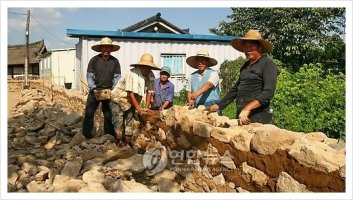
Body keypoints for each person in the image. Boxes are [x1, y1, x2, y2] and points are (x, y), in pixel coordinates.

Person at [207, 29, 279, 125]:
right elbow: (236, 89)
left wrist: (247, 108)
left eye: (251, 46)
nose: (248, 50)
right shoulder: (245, 66)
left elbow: (268, 93)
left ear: (260, 47)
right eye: (245, 47)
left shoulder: (268, 64)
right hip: (242, 114)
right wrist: (219, 105)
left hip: (259, 115)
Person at [110, 53, 160, 146]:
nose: (147, 69)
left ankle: (128, 144)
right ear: (141, 66)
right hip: (118, 99)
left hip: (132, 102)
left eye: (149, 67)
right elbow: (131, 94)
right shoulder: (132, 74)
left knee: (129, 122)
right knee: (119, 121)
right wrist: (139, 110)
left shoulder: (150, 75)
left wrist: (146, 108)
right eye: (145, 67)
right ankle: (119, 141)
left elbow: (150, 92)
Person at [82, 37, 121, 139]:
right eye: (104, 48)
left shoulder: (115, 61)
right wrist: (93, 88)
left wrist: (112, 89)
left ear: (111, 49)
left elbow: (117, 77)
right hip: (95, 91)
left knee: (108, 115)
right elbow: (89, 76)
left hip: (108, 92)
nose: (106, 50)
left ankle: (109, 136)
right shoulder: (94, 60)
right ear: (100, 48)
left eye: (108, 48)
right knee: (89, 113)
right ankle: (86, 135)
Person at [186, 49, 221, 115]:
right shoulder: (191, 76)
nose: (200, 63)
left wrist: (196, 94)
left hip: (212, 106)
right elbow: (189, 91)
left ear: (207, 62)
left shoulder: (213, 73)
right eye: (198, 60)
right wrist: (190, 100)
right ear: (196, 62)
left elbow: (209, 84)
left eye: (202, 60)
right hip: (198, 107)